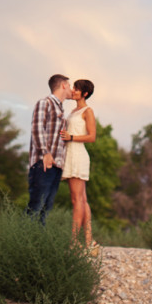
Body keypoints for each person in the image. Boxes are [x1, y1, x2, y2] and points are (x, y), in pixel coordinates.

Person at [26, 74, 72, 223]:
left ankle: (38, 244)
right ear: (64, 85)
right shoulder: (44, 103)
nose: (71, 89)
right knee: (36, 206)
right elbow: (37, 128)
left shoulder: (60, 109)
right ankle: (21, 243)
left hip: (56, 165)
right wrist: (45, 153)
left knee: (46, 209)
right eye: (69, 86)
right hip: (43, 163)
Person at [60, 78, 97, 247]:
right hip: (70, 153)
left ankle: (74, 242)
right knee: (82, 199)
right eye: (73, 87)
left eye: (76, 88)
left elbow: (92, 136)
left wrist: (71, 137)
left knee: (77, 200)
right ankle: (89, 241)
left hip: (78, 154)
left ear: (85, 93)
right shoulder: (74, 110)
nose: (73, 90)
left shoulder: (88, 111)